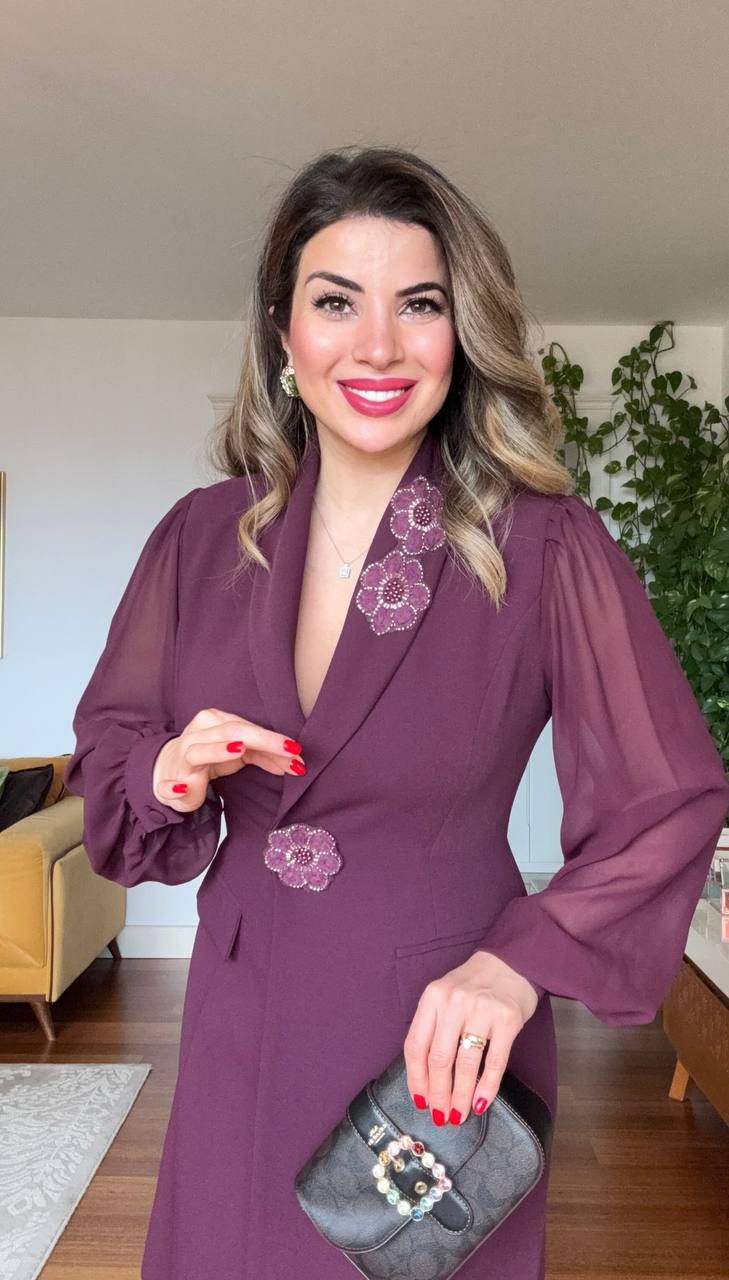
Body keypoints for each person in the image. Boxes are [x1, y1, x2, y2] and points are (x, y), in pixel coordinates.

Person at [63, 144, 729, 1280]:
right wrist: (168, 769)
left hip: (439, 1037)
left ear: (461, 335)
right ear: (283, 334)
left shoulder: (543, 543)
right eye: (336, 302)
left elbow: (668, 799)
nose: (377, 344)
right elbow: (114, 756)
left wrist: (518, 964)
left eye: (419, 304)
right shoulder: (199, 537)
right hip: (239, 1014)